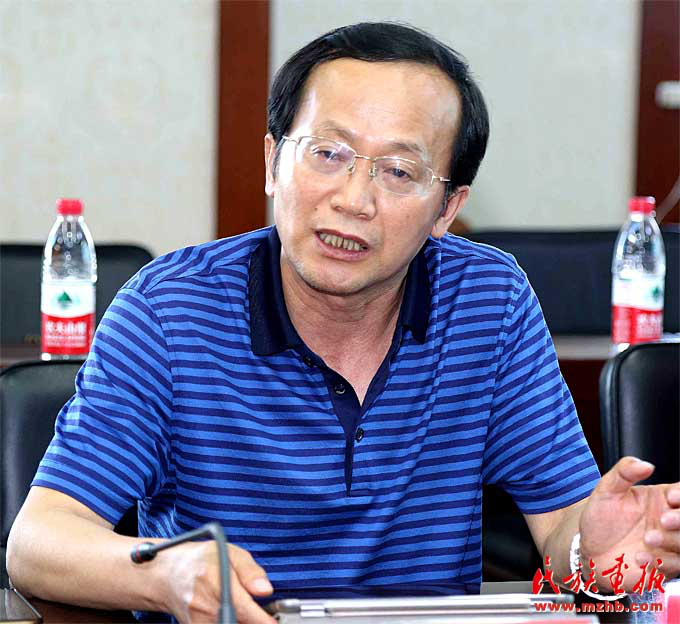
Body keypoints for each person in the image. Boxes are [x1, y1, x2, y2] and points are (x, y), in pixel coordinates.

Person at [7, 21, 680, 624]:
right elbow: (38, 542)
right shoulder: (170, 311)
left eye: (399, 171)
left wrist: (596, 552)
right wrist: (164, 574)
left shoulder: (489, 301)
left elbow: (565, 531)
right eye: (327, 154)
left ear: (447, 209)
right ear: (273, 163)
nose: (354, 200)